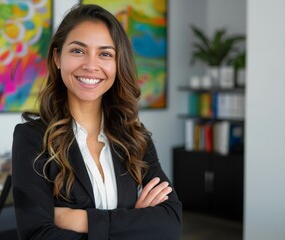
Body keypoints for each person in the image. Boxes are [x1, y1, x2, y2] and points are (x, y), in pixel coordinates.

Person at [11, 3, 182, 240]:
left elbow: (169, 224)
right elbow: (38, 235)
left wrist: (82, 220)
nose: (91, 65)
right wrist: (133, 219)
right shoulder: (32, 138)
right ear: (58, 57)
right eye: (78, 51)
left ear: (117, 63)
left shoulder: (135, 137)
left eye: (105, 54)